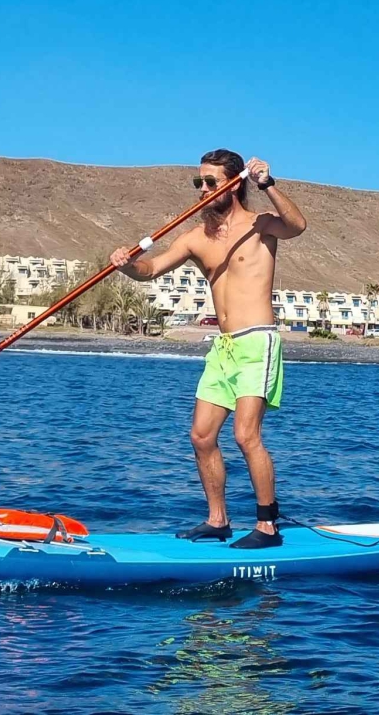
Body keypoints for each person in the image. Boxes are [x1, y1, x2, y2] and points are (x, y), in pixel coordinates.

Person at [112, 149, 307, 549]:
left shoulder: (261, 225)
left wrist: (267, 184)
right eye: (198, 182)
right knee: (201, 436)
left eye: (211, 182)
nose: (202, 189)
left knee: (245, 435)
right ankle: (217, 520)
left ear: (234, 184)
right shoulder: (197, 237)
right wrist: (127, 263)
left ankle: (267, 526)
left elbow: (297, 225)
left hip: (258, 341)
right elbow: (150, 270)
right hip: (223, 348)